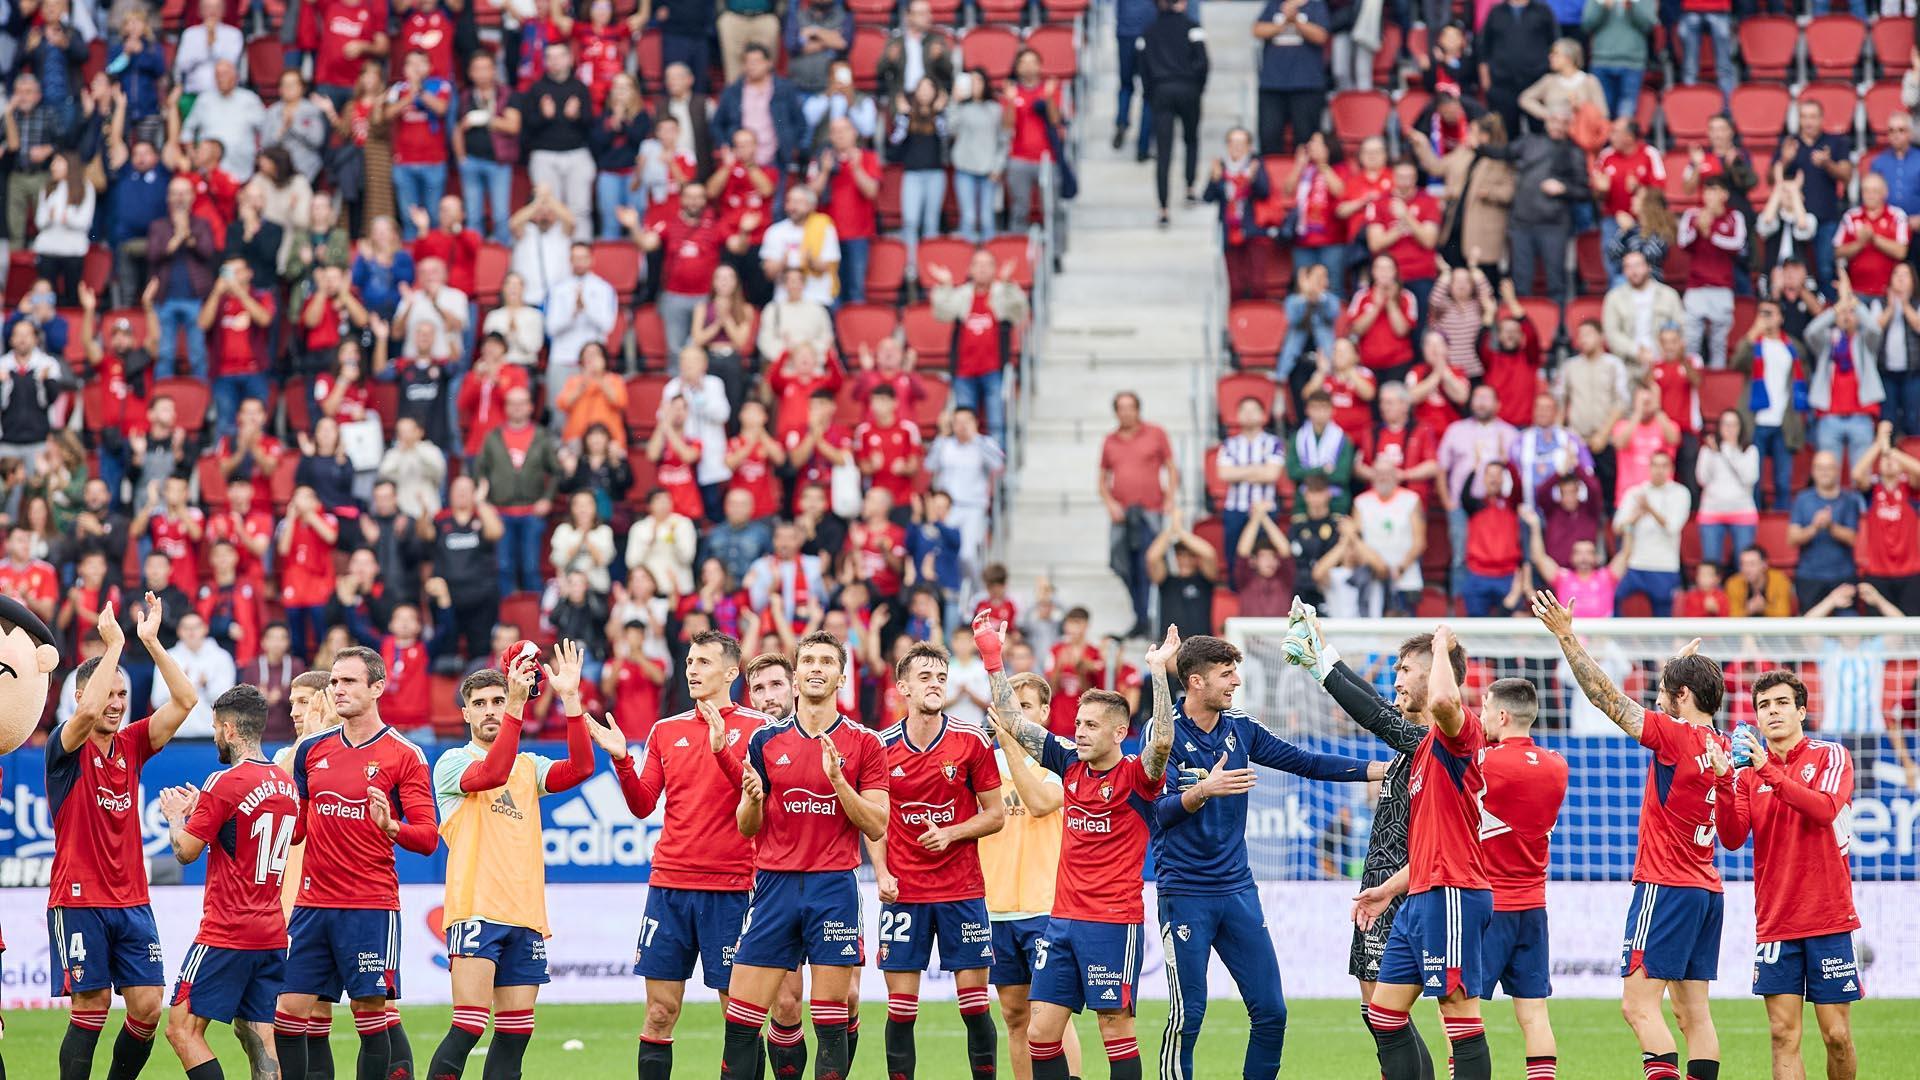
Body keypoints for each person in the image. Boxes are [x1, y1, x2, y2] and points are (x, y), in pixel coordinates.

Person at [1151, 633, 1381, 1079]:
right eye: (1226, 673)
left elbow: (1307, 762)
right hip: (1184, 893)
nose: (1237, 680)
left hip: (1237, 891)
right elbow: (1156, 813)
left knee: (1272, 1012)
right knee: (1188, 1018)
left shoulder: (1241, 728)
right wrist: (1202, 790)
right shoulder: (1163, 735)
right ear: (1196, 681)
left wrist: (1380, 769)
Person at [1533, 595, 1728, 1080]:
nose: (1657, 695)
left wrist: (1565, 636)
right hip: (1706, 888)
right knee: (1693, 1015)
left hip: (1665, 886)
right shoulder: (1722, 744)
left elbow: (1605, 698)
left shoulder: (1674, 737)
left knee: (1638, 1007)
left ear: (1682, 695)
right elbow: (1674, 706)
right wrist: (1676, 671)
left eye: (1666, 688)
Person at [983, 622, 1176, 1080]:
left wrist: (1159, 672)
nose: (1080, 732)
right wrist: (993, 656)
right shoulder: (1069, 763)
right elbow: (1012, 721)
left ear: (1118, 733)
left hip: (1111, 922)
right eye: (1078, 724)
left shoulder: (1137, 777)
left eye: (1091, 726)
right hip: (1062, 920)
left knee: (1116, 1032)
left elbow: (1163, 739)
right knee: (1040, 1033)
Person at [1277, 611, 1456, 1077]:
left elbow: (1373, 713)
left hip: (1406, 887)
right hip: (1384, 886)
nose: (1395, 680)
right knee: (1383, 1015)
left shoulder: (1435, 741)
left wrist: (1319, 668)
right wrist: (1323, 647)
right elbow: (1377, 704)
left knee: (1385, 1014)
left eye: (1405, 671)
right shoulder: (1412, 743)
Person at [718, 632, 888, 1080]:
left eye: (826, 661)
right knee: (741, 1020)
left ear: (841, 676)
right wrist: (753, 799)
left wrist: (839, 781)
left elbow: (877, 824)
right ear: (796, 676)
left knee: (831, 1018)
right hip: (773, 886)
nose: (816, 667)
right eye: (808, 660)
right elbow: (746, 826)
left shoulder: (865, 743)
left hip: (832, 886)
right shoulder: (765, 741)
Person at [425, 644, 598, 1079]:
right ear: (465, 714)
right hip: (476, 908)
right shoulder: (451, 763)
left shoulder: (528, 765)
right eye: (479, 704)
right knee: (468, 1025)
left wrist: (571, 699)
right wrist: (518, 707)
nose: (490, 710)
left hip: (524, 914)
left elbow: (580, 768)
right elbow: (491, 775)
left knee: (515, 1034)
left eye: (498, 701)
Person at [50, 596, 199, 1080]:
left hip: (132, 900)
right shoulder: (65, 747)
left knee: (148, 1008)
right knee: (90, 1008)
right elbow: (89, 708)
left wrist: (150, 642)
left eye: (122, 696)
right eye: (107, 694)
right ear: (80, 697)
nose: (114, 704)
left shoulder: (131, 743)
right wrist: (114, 644)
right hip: (79, 898)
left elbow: (186, 701)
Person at [273, 647, 439, 1080]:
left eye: (348, 681)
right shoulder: (310, 750)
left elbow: (428, 837)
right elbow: (297, 829)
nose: (338, 689)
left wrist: (392, 827)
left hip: (369, 907)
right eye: (334, 682)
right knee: (288, 1013)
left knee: (370, 1015)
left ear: (377, 687)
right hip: (311, 907)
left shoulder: (405, 755)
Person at [863, 642, 1005, 1080]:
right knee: (902, 1010)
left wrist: (952, 832)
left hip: (962, 890)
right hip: (905, 894)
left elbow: (996, 814)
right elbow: (876, 821)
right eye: (925, 677)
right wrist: (883, 873)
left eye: (941, 677)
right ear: (902, 686)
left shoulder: (971, 741)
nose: (935, 684)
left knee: (975, 1007)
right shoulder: (880, 747)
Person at [1717, 671, 1861, 1080]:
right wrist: (1725, 782)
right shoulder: (1747, 774)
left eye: (1781, 703)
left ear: (1801, 710)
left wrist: (1769, 772)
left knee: (1836, 1035)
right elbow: (1730, 837)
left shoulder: (1831, 756)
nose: (1772, 712)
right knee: (1782, 1035)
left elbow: (1823, 809)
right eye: (1764, 706)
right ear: (1757, 720)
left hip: (1828, 916)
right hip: (1777, 919)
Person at [157, 684, 297, 1080]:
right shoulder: (286, 785)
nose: (216, 735)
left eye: (217, 727)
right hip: (271, 931)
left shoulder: (224, 782)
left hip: (227, 930)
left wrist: (176, 817)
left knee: (182, 1029)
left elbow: (186, 851)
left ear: (231, 730)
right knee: (257, 1034)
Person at [1479, 107, 1588, 300]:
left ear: (1570, 125)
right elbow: (1504, 152)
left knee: (1556, 282)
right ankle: (1524, 326)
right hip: (1522, 223)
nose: (1558, 126)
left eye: (1563, 122)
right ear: (1547, 122)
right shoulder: (1529, 143)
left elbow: (1585, 191)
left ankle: (1557, 328)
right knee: (1521, 282)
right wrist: (1479, 147)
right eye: (1554, 120)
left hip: (1553, 226)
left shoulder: (1574, 152)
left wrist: (1564, 188)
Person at [1099, 391, 1179, 638]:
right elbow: (1102, 479)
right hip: (1123, 513)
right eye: (1121, 408)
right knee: (1122, 564)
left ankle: (1152, 619)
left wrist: (1169, 498)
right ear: (1116, 411)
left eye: (1130, 407)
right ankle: (1140, 615)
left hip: (1150, 510)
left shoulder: (1155, 433)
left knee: (1151, 564)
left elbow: (1171, 467)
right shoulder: (1110, 440)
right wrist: (1110, 504)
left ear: (1137, 409)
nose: (1126, 412)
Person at [931, 250, 1029, 438]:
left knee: (996, 423)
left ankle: (998, 464)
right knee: (963, 424)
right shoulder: (962, 294)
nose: (982, 269)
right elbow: (941, 313)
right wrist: (945, 285)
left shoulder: (1002, 292)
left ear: (995, 269)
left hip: (994, 370)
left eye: (987, 264)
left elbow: (1020, 310)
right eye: (978, 264)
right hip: (963, 371)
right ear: (970, 269)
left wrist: (1008, 284)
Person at [503, 42, 597, 241]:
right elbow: (526, 128)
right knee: (547, 209)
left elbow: (590, 124)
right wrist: (543, 116)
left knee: (579, 208)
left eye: (559, 56)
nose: (555, 61)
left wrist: (577, 115)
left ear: (569, 59)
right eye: (550, 57)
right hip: (544, 155)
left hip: (576, 153)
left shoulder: (580, 88)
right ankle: (554, 253)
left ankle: (580, 252)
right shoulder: (536, 89)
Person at [1136, 0, 1209, 227]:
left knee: (1164, 151)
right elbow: (1203, 62)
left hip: (1161, 90)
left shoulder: (1148, 31)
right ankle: (1189, 188)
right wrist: (1197, 88)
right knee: (1191, 140)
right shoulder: (1192, 26)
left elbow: (1142, 67)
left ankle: (1163, 209)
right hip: (1188, 89)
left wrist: (1151, 93)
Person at [1850, 423, 1920, 615]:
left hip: (1910, 572)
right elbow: (1856, 474)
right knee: (1879, 637)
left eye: (1893, 459)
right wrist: (1879, 444)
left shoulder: (1910, 490)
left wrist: (1891, 451)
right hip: (1878, 573)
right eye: (1884, 459)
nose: (1888, 461)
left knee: (1912, 632)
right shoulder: (1873, 490)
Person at [1788, 450, 1865, 614]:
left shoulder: (1850, 500)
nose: (1824, 472)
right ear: (1813, 471)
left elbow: (1852, 538)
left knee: (1849, 630)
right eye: (1820, 467)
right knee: (1810, 633)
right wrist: (1814, 527)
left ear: (1837, 471)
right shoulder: (1802, 499)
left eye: (1829, 467)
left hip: (1843, 576)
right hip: (1809, 576)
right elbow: (1792, 538)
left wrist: (1830, 526)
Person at [1252, 0, 1329, 155]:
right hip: (1272, 84)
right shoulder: (1274, 5)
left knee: (1305, 139)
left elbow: (1321, 36)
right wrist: (1283, 23)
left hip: (1307, 84)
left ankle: (1305, 177)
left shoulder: (1316, 5)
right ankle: (1272, 176)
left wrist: (1296, 21)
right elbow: (1257, 30)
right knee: (1269, 136)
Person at [1581, 0, 1656, 119]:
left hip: (1632, 62)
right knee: (1601, 113)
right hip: (1601, 60)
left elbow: (1648, 26)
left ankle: (1621, 137)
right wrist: (1603, 7)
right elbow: (1587, 24)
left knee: (1626, 114)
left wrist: (1632, 6)